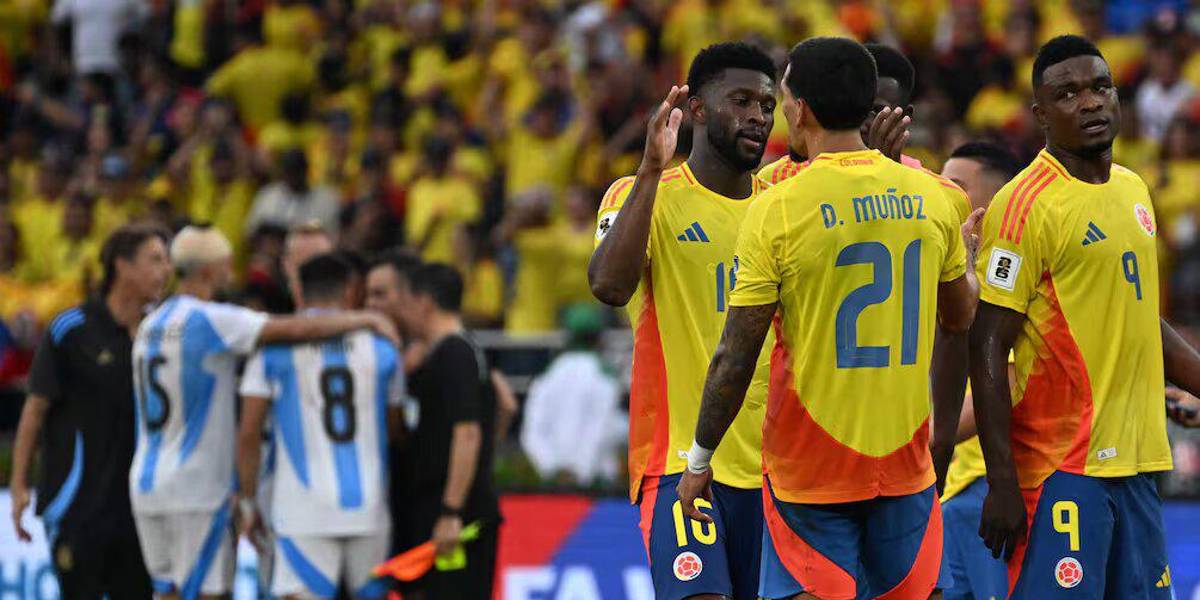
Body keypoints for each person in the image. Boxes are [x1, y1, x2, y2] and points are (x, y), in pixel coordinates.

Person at [676, 37, 980, 599]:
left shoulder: (778, 206)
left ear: (802, 109)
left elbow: (736, 354)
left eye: (784, 97)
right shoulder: (938, 198)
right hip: (904, 462)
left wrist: (700, 458)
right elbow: (960, 317)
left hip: (809, 469)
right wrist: (971, 267)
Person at [968, 35, 1200, 598]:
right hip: (1061, 470)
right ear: (1040, 114)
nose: (1091, 102)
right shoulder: (1024, 205)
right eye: (1068, 94)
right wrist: (1001, 481)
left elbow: (1141, 317)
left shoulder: (1133, 188)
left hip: (1141, 461)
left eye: (1100, 86)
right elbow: (988, 343)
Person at [588, 41, 776, 600]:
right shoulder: (641, 193)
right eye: (740, 100)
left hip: (777, 468)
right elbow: (608, 285)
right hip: (676, 461)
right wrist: (650, 168)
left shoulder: (784, 204)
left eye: (767, 105)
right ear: (694, 109)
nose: (756, 117)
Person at [128, 225, 397, 599]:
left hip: (147, 482)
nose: (232, 272)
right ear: (208, 271)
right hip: (197, 488)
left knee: (167, 592)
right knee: (208, 593)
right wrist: (363, 320)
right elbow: (287, 328)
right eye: (226, 264)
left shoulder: (148, 326)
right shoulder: (214, 320)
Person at [10, 224, 172, 599]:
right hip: (77, 509)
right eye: (155, 260)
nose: (166, 271)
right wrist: (19, 485)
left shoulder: (162, 333)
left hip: (140, 513)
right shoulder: (71, 330)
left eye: (167, 261)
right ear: (122, 266)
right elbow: (35, 410)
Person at [236, 253, 402, 600]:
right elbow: (395, 428)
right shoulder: (383, 349)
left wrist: (248, 502)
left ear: (298, 290)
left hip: (302, 511)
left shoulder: (272, 351)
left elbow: (249, 433)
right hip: (369, 508)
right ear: (350, 290)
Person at [937, 141, 1022, 600]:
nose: (944, 197)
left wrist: (930, 435)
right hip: (952, 491)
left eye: (956, 187)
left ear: (994, 205)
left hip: (981, 488)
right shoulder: (958, 271)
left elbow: (1007, 381)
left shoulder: (1001, 274)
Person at [392, 263, 499, 600]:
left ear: (424, 302)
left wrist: (451, 511)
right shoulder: (465, 349)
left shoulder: (452, 353)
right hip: (460, 507)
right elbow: (505, 404)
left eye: (406, 302)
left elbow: (467, 432)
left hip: (455, 521)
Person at [759, 42, 918, 185]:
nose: (859, 119)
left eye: (876, 110)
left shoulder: (925, 188)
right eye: (854, 105)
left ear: (906, 117)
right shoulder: (775, 179)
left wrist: (890, 180)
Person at [245, 148, 341, 239]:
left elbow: (333, 236)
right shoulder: (268, 196)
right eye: (289, 170)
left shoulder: (326, 199)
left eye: (297, 170)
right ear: (282, 171)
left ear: (306, 170)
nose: (293, 176)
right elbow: (250, 234)